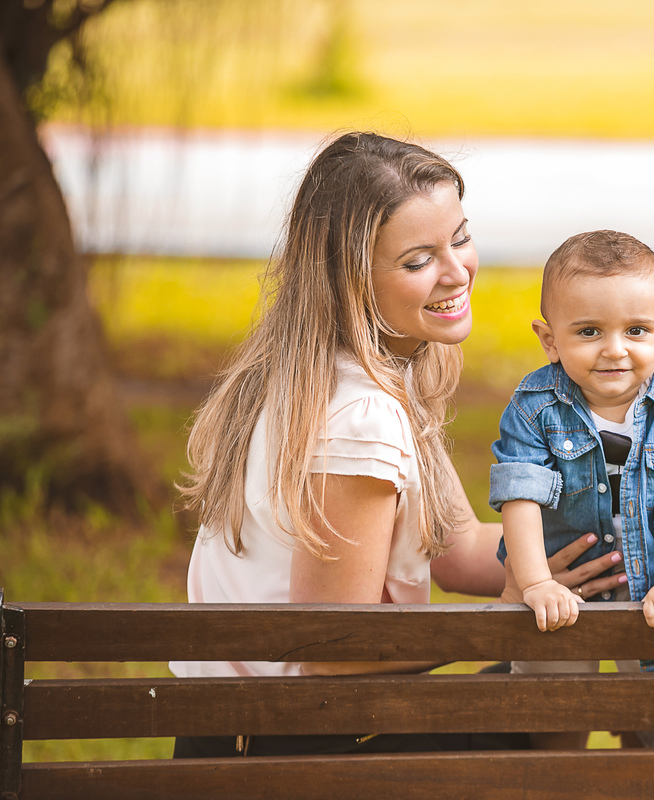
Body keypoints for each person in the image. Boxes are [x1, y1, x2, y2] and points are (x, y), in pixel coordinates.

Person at [169, 132, 624, 758]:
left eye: (460, 238)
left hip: (276, 729)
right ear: (350, 279)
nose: (457, 270)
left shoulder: (350, 373)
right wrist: (498, 621)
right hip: (286, 754)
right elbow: (332, 654)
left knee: (561, 678)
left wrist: (579, 548)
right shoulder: (361, 416)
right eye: (417, 261)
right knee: (557, 696)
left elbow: (459, 545)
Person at [489, 230, 654, 748]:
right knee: (556, 724)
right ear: (549, 339)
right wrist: (534, 584)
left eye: (636, 330)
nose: (615, 350)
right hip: (561, 594)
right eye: (590, 331)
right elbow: (519, 497)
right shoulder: (535, 409)